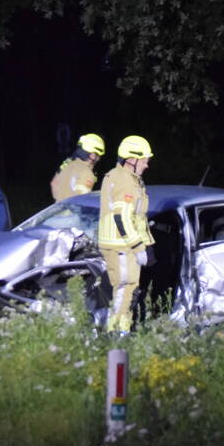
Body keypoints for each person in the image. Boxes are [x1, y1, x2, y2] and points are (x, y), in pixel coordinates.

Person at [97, 135, 155, 335]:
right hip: (122, 245)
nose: (146, 165)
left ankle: (121, 331)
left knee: (127, 289)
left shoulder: (122, 177)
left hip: (120, 244)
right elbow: (122, 218)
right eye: (144, 160)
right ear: (132, 159)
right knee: (125, 288)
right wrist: (138, 247)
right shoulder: (125, 181)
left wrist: (147, 244)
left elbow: (137, 217)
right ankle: (118, 334)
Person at [50, 133, 105, 201]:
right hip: (73, 208)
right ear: (92, 155)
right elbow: (82, 201)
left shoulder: (67, 164)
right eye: (98, 155)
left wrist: (60, 201)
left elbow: (53, 183)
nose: (98, 159)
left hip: (59, 206)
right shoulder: (86, 172)